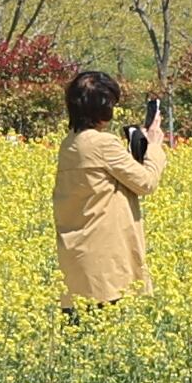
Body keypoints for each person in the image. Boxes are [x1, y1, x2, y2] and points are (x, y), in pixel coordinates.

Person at [54, 69, 163, 303]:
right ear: (103, 107)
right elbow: (146, 182)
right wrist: (153, 145)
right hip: (106, 270)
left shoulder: (69, 144)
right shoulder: (103, 144)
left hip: (77, 266)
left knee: (79, 333)